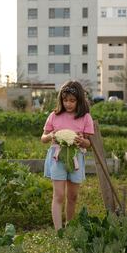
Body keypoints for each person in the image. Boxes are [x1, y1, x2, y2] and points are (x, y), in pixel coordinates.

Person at [41, 80, 94, 230]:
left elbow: (88, 143)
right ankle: (59, 231)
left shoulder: (85, 117)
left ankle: (69, 226)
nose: (68, 104)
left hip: (75, 157)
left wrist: (81, 141)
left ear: (79, 101)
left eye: (72, 101)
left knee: (72, 196)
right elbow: (43, 138)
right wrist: (51, 135)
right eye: (65, 100)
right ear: (61, 100)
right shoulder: (54, 115)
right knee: (58, 195)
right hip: (57, 158)